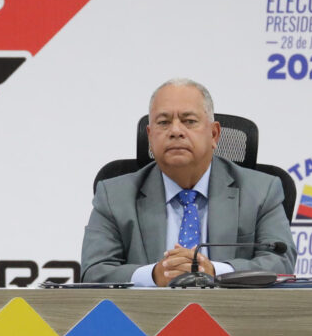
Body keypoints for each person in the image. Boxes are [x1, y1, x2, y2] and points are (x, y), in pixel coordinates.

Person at [81, 78, 296, 286]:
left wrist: (215, 271)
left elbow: (281, 262)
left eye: (189, 121)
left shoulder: (261, 191)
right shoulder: (114, 195)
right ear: (150, 136)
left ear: (214, 134)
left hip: (233, 318)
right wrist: (154, 275)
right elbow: (94, 271)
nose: (175, 131)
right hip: (146, 320)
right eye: (163, 122)